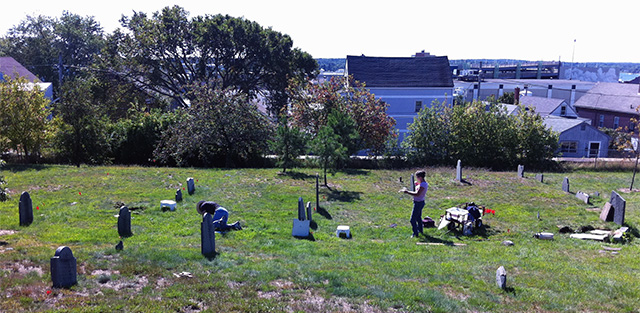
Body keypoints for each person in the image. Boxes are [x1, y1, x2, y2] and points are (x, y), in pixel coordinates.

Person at [399, 170, 428, 238]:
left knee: (412, 220)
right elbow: (419, 188)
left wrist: (407, 192)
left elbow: (417, 194)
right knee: (418, 218)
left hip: (418, 203)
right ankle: (420, 230)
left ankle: (415, 233)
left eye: (417, 177)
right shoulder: (422, 184)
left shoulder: (423, 184)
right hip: (419, 202)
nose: (416, 179)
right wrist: (417, 184)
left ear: (420, 177)